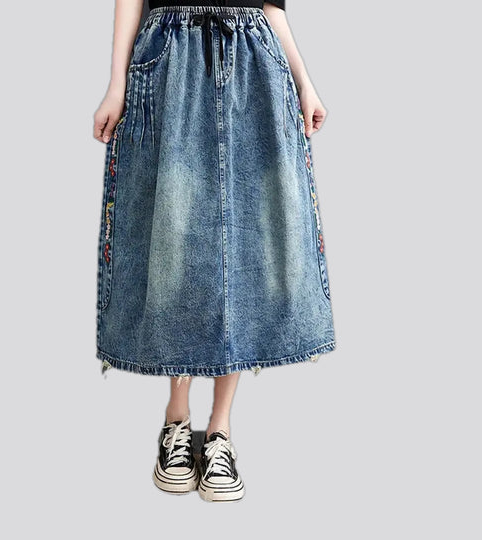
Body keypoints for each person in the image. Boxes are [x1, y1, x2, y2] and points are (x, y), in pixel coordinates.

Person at [93, 0, 336, 503]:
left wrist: (305, 82)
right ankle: (176, 419)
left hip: (253, 60)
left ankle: (220, 428)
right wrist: (116, 84)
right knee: (172, 244)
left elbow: (271, 6)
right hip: (170, 56)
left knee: (242, 249)